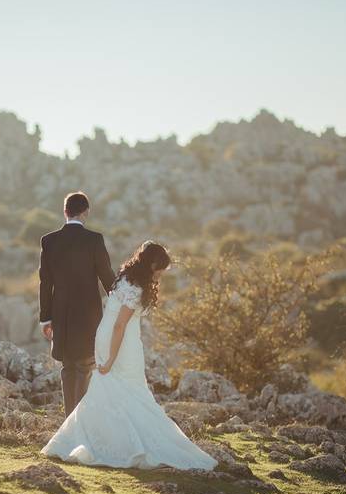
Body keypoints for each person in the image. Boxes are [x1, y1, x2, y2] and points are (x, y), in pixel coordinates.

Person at [41, 241, 218, 470]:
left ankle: (99, 440)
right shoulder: (136, 288)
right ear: (152, 264)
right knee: (129, 390)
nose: (161, 274)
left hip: (110, 336)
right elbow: (120, 326)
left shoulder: (125, 278)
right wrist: (112, 359)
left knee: (111, 391)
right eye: (161, 268)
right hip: (120, 342)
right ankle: (119, 444)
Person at [38, 191, 115, 417]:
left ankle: (69, 422)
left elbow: (45, 283)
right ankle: (78, 422)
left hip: (60, 315)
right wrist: (121, 301)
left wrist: (45, 317)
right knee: (84, 366)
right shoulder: (94, 240)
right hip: (89, 316)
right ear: (86, 212)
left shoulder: (49, 241)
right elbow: (107, 278)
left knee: (68, 366)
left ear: (65, 212)